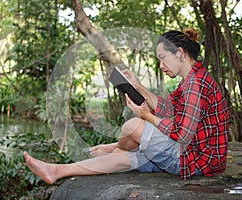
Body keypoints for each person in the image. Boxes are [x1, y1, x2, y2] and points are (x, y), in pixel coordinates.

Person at [24, 29, 229, 183]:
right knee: (124, 158)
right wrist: (137, 86)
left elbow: (182, 133)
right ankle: (57, 171)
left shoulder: (196, 84)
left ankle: (114, 147)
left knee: (133, 126)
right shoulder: (192, 79)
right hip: (197, 158)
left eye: (162, 58)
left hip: (194, 161)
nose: (161, 65)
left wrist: (146, 116)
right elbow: (168, 108)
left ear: (179, 53)